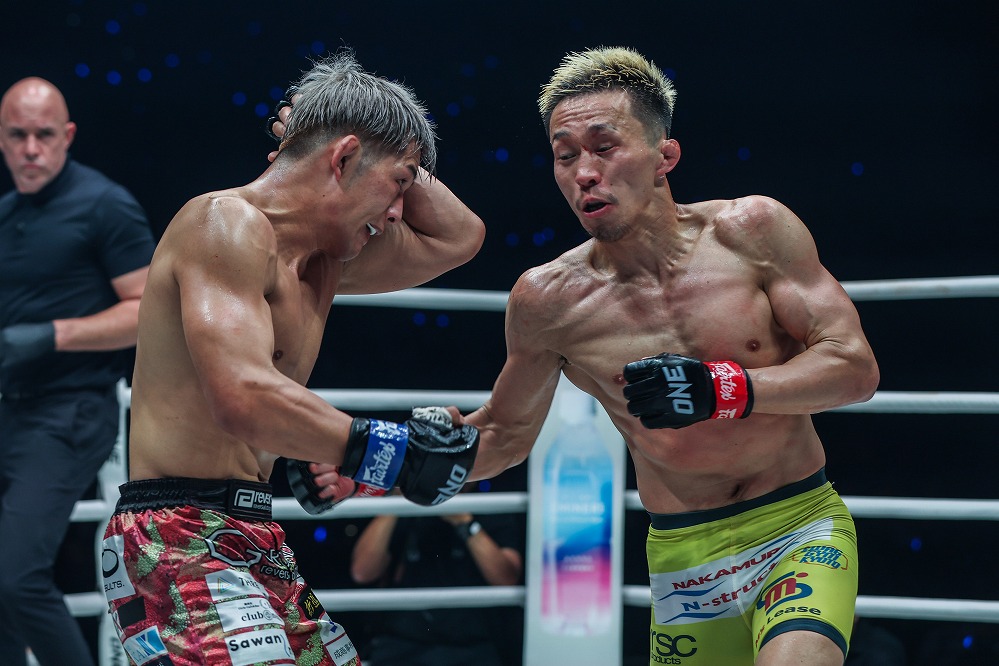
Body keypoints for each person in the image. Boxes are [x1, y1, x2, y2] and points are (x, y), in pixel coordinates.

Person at [299, 46, 881, 665]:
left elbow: (854, 367)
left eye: (604, 148)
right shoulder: (548, 300)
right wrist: (378, 464)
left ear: (664, 157)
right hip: (684, 556)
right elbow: (503, 435)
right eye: (565, 155)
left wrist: (724, 388)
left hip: (797, 525)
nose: (584, 173)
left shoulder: (753, 232)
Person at [100, 51, 484, 665]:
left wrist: (360, 136)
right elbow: (242, 396)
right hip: (176, 537)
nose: (398, 211)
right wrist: (387, 451)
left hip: (254, 532)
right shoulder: (223, 224)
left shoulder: (324, 263)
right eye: (399, 183)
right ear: (344, 159)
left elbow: (460, 237)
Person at [0, 77, 155, 666]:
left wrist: (52, 336)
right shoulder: (7, 214)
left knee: (17, 577)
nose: (31, 149)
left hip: (71, 411)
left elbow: (148, 312)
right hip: (11, 410)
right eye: (18, 135)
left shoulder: (103, 204)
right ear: (1, 138)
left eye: (44, 135)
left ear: (66, 135)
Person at [350, 485, 524, 666]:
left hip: (471, 646)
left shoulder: (490, 504)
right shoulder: (407, 505)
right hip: (402, 643)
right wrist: (397, 504)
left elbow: (506, 579)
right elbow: (362, 572)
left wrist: (466, 523)